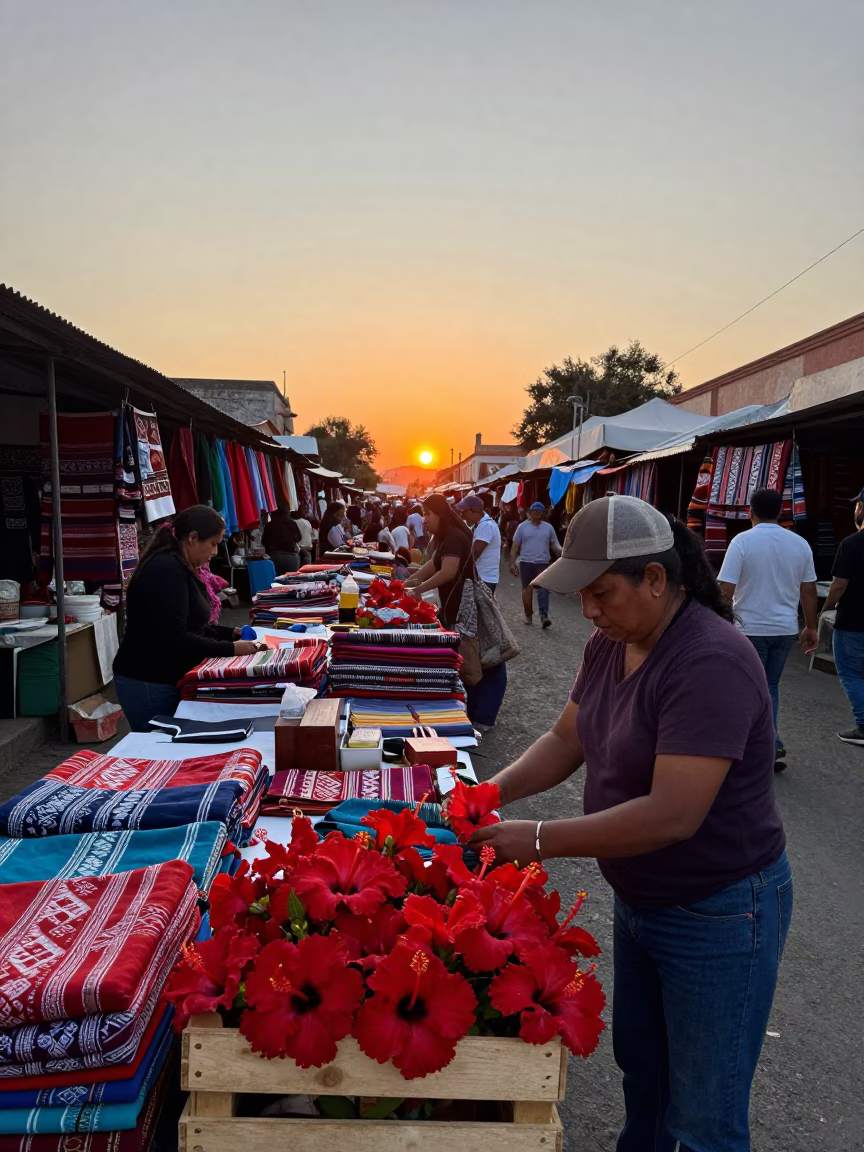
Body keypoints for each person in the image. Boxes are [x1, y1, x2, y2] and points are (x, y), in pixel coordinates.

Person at [472, 495, 791, 1152]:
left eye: (601, 593)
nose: (589, 611)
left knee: (705, 1113)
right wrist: (490, 793)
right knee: (644, 1077)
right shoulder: (609, 644)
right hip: (643, 900)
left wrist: (533, 839)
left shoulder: (710, 660)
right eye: (581, 595)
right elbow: (567, 739)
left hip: (719, 910)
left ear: (655, 578)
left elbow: (673, 814)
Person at [113, 505, 266, 731]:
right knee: (160, 749)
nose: (215, 553)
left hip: (163, 676)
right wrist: (232, 648)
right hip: (149, 679)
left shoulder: (180, 566)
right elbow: (175, 638)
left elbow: (194, 624)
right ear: (193, 538)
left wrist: (230, 634)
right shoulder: (166, 570)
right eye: (213, 544)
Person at [717, 486, 818, 767]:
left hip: (749, 629)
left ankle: (759, 745)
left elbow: (725, 588)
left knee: (746, 688)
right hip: (784, 629)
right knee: (768, 686)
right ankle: (765, 743)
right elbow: (808, 590)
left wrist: (717, 622)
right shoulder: (799, 544)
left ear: (750, 511)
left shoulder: (742, 542)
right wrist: (811, 626)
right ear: (781, 513)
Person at [821, 488, 864, 744]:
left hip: (853, 620)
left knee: (849, 672)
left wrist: (826, 606)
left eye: (858, 505)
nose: (855, 510)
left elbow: (838, 584)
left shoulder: (852, 543)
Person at [404, 494, 473, 629]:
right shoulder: (446, 536)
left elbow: (448, 572)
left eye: (428, 514)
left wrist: (416, 590)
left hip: (460, 606)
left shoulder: (454, 537)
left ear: (440, 514)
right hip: (450, 603)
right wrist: (406, 584)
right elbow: (433, 565)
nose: (424, 520)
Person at [510, 501, 562, 627]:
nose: (537, 513)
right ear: (530, 512)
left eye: (540, 511)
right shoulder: (522, 527)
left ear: (543, 513)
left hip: (542, 563)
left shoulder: (548, 528)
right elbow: (515, 546)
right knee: (527, 590)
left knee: (543, 589)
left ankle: (544, 616)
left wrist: (562, 553)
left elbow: (554, 544)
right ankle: (528, 614)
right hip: (526, 562)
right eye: (535, 511)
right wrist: (512, 563)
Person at [455, 493, 501, 593]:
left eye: (464, 512)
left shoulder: (485, 526)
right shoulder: (483, 524)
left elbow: (474, 554)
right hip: (484, 577)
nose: (462, 516)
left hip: (484, 578)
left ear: (475, 510)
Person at [262, 506, 301, 575]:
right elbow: (299, 538)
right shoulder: (292, 523)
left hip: (276, 557)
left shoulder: (269, 525)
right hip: (291, 557)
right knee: (292, 581)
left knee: (276, 583)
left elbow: (264, 542)